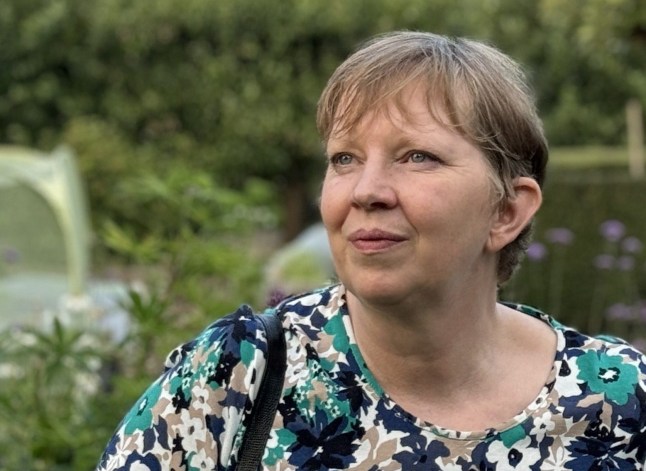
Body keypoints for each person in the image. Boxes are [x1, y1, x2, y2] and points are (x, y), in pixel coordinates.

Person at [97, 31, 646, 470]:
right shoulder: (235, 376)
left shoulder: (619, 400)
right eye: (345, 158)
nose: (366, 191)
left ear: (506, 210)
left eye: (417, 157)